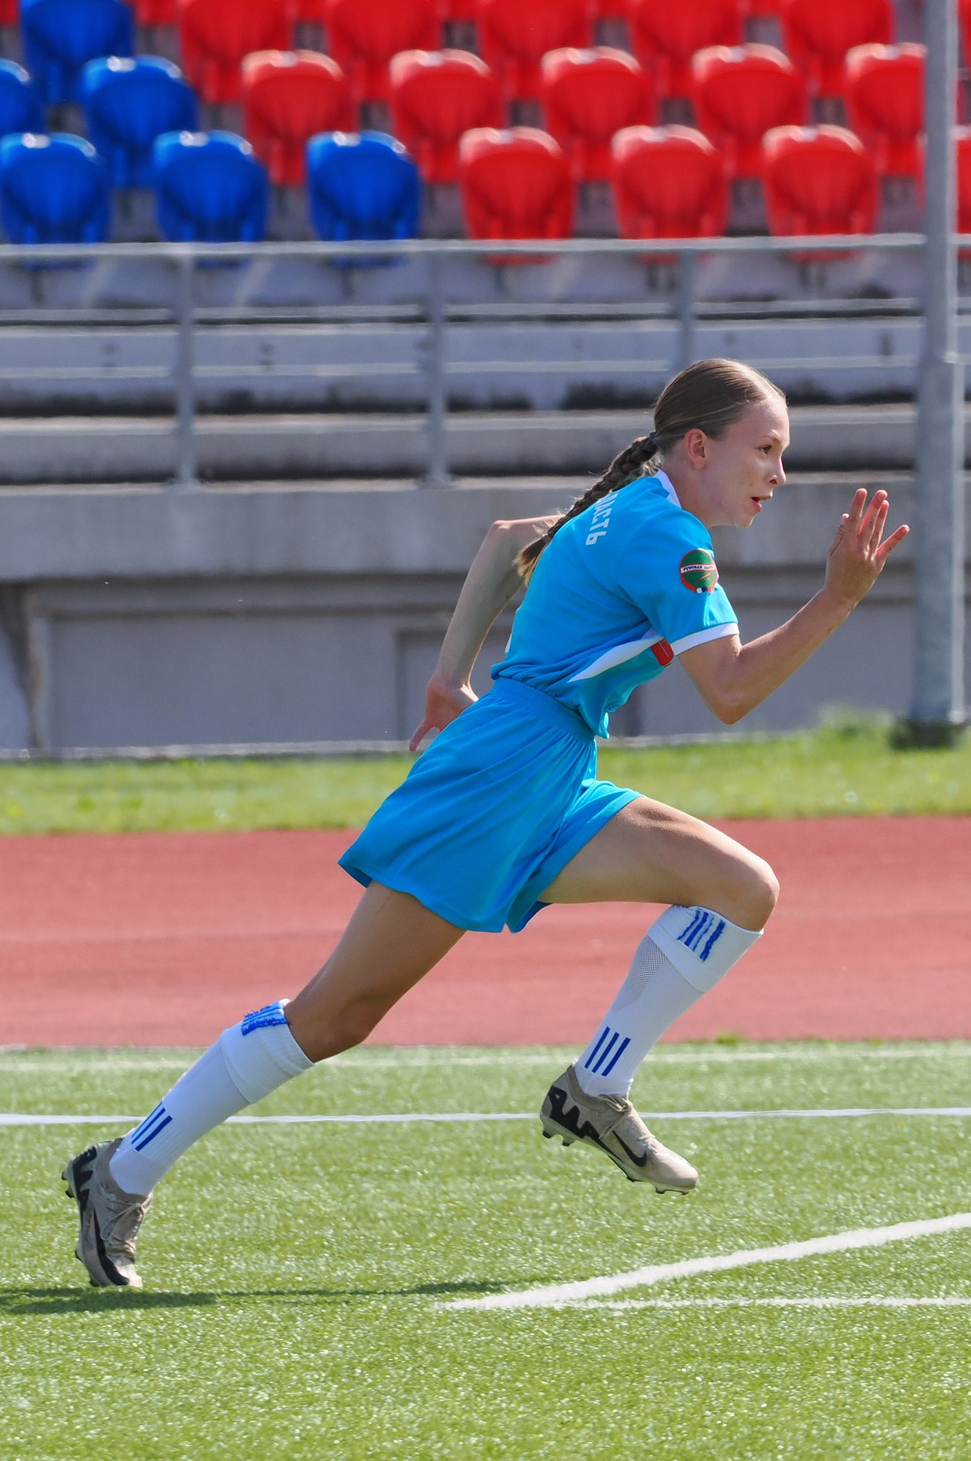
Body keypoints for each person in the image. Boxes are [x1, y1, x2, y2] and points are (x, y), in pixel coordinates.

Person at [62, 358, 906, 1289]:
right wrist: (839, 598)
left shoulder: (631, 503)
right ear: (699, 447)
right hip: (500, 779)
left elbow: (508, 538)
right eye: (768, 449)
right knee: (334, 1015)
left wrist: (447, 675)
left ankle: (596, 1086)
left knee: (741, 889)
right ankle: (120, 1170)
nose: (779, 474)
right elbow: (732, 689)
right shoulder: (668, 534)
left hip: (548, 769)